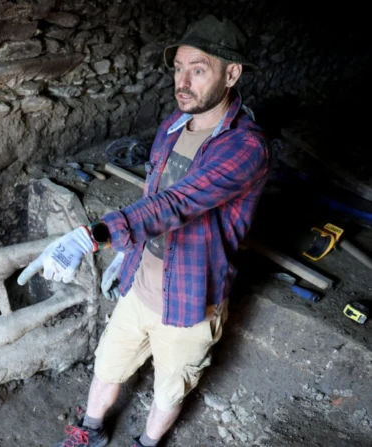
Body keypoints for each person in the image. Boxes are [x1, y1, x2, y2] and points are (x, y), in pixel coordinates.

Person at [18, 14, 269, 447]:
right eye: (178, 69)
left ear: (232, 74)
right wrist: (124, 253)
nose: (183, 81)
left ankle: (146, 443)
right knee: (108, 364)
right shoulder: (173, 126)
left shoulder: (244, 147)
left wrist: (90, 236)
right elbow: (153, 194)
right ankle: (90, 431)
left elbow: (178, 203)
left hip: (191, 300)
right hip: (141, 286)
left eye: (198, 69)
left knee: (170, 387)